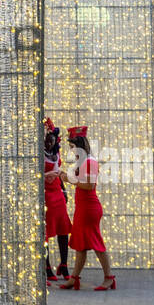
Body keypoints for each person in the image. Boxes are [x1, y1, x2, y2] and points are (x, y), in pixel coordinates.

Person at [57, 125, 115, 291]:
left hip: (89, 208)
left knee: (96, 244)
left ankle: (109, 277)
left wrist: (68, 180)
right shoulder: (83, 162)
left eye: (73, 147)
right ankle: (74, 278)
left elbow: (89, 186)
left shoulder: (90, 162)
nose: (72, 151)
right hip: (83, 208)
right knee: (81, 245)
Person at [42, 118, 71, 282]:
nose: (49, 144)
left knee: (63, 229)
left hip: (57, 193)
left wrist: (64, 190)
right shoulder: (39, 154)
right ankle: (46, 267)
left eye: (52, 141)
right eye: (47, 141)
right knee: (45, 232)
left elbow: (59, 172)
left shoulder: (56, 153)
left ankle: (64, 264)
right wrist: (46, 176)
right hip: (45, 195)